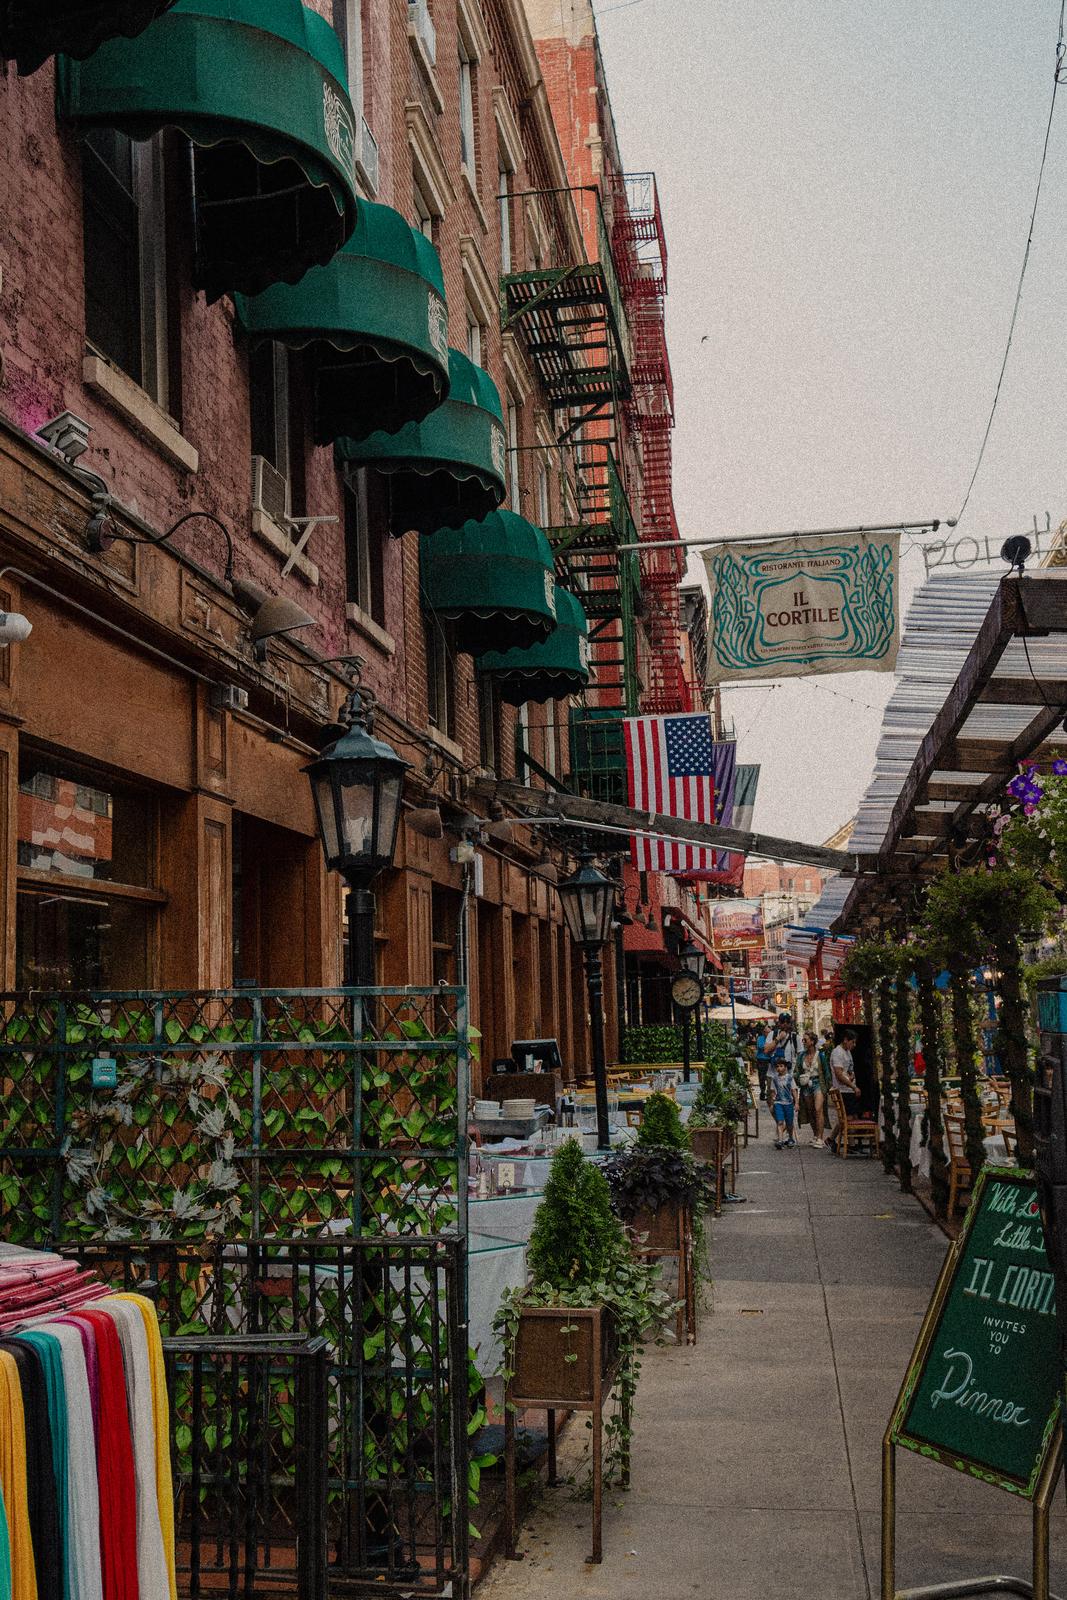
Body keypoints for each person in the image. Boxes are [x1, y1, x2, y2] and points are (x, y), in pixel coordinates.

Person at [828, 1029, 861, 1153]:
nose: (853, 1045)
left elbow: (848, 1070)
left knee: (849, 1117)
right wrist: (853, 1086)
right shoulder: (838, 1053)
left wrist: (851, 1077)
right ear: (845, 1040)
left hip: (849, 1089)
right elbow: (839, 1074)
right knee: (849, 1118)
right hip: (844, 1090)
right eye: (852, 1042)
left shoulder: (847, 1052)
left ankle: (833, 1139)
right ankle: (850, 1145)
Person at [795, 1030, 826, 1147]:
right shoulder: (801, 1056)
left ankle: (820, 1138)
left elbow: (826, 1072)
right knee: (811, 1110)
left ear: (812, 1042)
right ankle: (815, 1134)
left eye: (805, 1040)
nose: (803, 1042)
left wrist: (826, 1087)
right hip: (805, 1084)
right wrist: (798, 1078)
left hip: (818, 1082)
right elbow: (797, 1070)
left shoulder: (820, 1055)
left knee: (818, 1109)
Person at [766, 1050, 798, 1149]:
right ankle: (780, 1140)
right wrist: (772, 1104)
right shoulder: (774, 1079)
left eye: (781, 1066)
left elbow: (793, 1091)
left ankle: (791, 1138)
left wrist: (796, 1103)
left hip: (788, 1103)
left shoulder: (790, 1078)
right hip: (778, 1103)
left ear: (785, 1067)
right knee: (780, 1121)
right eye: (777, 1066)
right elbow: (772, 1092)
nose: (779, 1068)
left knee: (789, 1123)